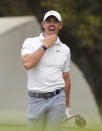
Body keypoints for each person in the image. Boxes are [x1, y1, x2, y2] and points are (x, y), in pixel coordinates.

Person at [21, 10, 71, 131]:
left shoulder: (65, 49)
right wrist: (45, 45)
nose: (52, 24)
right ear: (43, 24)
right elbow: (28, 64)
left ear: (60, 25)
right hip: (36, 99)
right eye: (49, 21)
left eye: (55, 21)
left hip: (57, 99)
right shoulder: (30, 42)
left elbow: (66, 79)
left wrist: (67, 107)